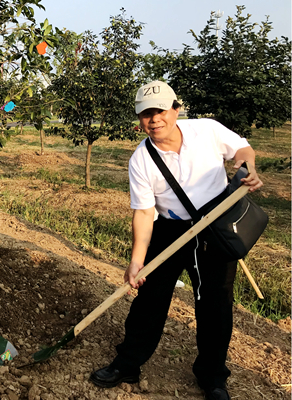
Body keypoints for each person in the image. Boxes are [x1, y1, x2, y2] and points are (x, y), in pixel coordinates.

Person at [89, 81, 263, 400]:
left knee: (215, 305)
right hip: (170, 229)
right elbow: (144, 214)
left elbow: (242, 148)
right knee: (150, 300)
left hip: (215, 226)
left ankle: (212, 378)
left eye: (160, 111)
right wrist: (137, 262)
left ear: (175, 109)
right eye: (145, 114)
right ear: (139, 118)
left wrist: (247, 166)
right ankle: (128, 363)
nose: (154, 119)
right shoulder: (141, 160)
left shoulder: (206, 130)